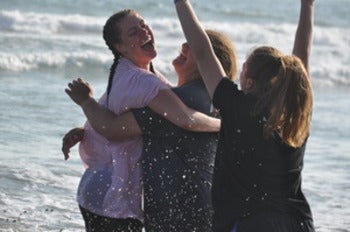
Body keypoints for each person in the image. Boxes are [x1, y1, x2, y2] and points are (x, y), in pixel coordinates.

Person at [63, 28, 237, 232]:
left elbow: (112, 128)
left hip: (178, 216)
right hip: (199, 210)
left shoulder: (182, 100)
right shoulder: (211, 102)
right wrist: (90, 132)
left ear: (208, 62)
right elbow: (131, 130)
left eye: (193, 46)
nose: (184, 46)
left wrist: (86, 101)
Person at [173, 0, 315, 231]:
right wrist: (307, 6)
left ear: (249, 82)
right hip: (296, 223)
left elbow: (202, 51)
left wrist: (181, 2)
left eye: (244, 68)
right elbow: (302, 58)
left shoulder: (236, 106)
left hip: (250, 223)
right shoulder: (295, 115)